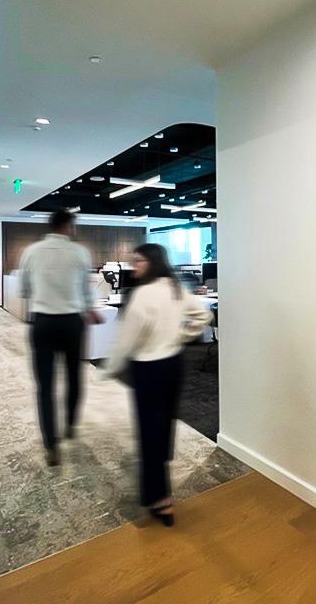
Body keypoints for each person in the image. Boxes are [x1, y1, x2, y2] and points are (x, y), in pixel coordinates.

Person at [104, 243, 211, 526]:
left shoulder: (143, 294)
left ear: (151, 262)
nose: (134, 266)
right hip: (173, 365)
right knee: (164, 427)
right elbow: (203, 315)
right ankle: (161, 491)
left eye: (139, 261)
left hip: (148, 369)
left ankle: (159, 499)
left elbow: (127, 339)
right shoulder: (175, 288)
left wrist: (110, 368)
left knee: (149, 431)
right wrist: (182, 336)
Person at [19, 209, 103, 466]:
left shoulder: (31, 252)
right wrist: (88, 308)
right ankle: (70, 423)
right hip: (71, 323)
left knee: (44, 385)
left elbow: (25, 290)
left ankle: (51, 445)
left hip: (42, 322)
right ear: (67, 226)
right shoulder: (80, 252)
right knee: (74, 375)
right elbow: (86, 290)